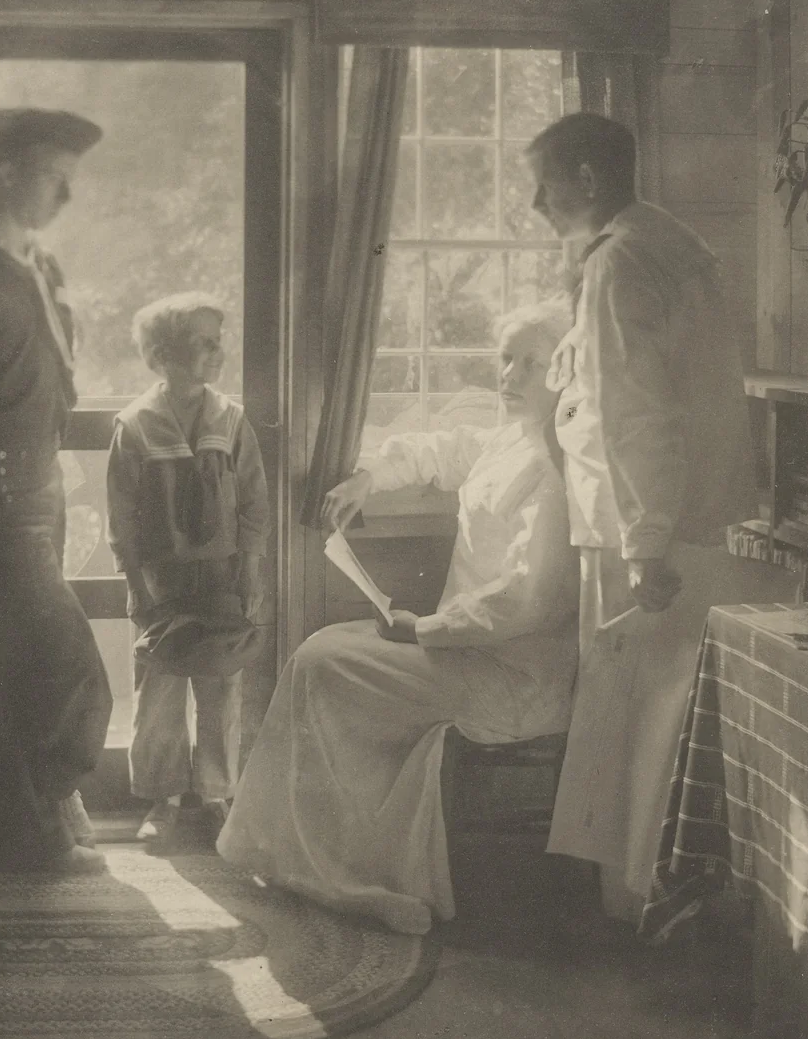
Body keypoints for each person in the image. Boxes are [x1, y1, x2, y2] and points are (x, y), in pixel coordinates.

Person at [216, 305, 579, 934]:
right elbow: (435, 449)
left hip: (514, 679)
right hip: (465, 651)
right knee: (322, 655)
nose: (511, 374)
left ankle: (345, 874)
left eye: (533, 364)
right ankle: (323, 864)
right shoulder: (509, 436)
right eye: (507, 359)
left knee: (323, 662)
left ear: (565, 376)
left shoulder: (557, 468)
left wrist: (423, 631)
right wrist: (368, 477)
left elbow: (529, 599)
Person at [525, 112, 789, 923]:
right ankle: (658, 904)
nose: (536, 202)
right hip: (672, 520)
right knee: (656, 715)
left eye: (544, 182)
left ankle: (637, 910)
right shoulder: (662, 249)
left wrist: (642, 547)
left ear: (588, 180)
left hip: (645, 531)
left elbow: (637, 416)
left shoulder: (620, 265)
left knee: (640, 721)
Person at [0, 109, 113, 876]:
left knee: (24, 661)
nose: (65, 197)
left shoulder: (39, 266)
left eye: (72, 182)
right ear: (5, 173)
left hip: (39, 488)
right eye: (52, 178)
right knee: (66, 662)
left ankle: (27, 834)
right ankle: (50, 800)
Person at [106, 294, 269, 848]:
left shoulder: (230, 419)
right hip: (161, 580)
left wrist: (249, 566)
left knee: (221, 682)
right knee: (160, 687)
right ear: (161, 356)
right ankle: (163, 795)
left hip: (221, 575)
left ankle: (218, 793)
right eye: (202, 343)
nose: (217, 351)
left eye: (218, 341)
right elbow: (123, 515)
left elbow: (252, 499)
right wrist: (135, 581)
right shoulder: (136, 426)